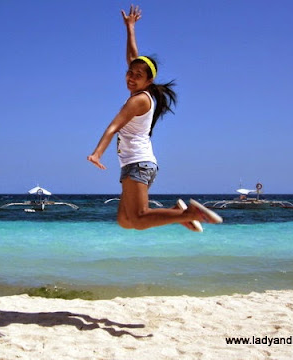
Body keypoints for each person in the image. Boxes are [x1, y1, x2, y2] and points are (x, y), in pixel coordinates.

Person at [87, 5, 222, 231]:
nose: (130, 77)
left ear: (148, 81)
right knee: (125, 221)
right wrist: (130, 28)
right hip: (135, 165)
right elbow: (133, 57)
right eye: (129, 73)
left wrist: (97, 153)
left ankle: (187, 213)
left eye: (137, 76)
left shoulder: (137, 100)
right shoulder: (141, 92)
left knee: (139, 219)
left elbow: (113, 127)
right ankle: (177, 214)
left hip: (138, 164)